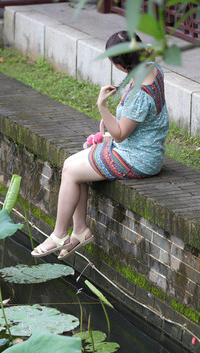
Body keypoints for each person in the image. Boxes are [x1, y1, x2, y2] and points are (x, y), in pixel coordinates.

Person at [31, 30, 170, 260]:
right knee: (71, 165)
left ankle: (59, 235)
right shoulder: (151, 67)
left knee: (71, 170)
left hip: (138, 159)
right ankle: (79, 230)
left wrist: (102, 107)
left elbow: (120, 135)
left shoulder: (139, 94)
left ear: (120, 63)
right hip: (142, 149)